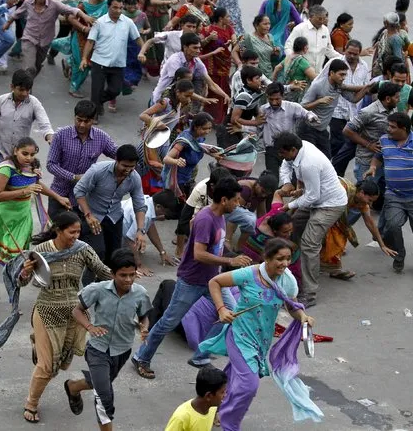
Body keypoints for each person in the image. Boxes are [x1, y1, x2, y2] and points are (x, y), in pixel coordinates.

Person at [131, 177, 252, 379]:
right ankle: (141, 357)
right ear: (224, 200)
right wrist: (231, 262)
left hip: (213, 279)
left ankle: (201, 356)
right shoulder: (207, 219)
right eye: (236, 200)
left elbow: (214, 244)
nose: (238, 204)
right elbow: (199, 254)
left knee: (231, 315)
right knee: (168, 322)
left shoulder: (219, 216)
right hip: (192, 281)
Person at [198, 238, 319, 430]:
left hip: (261, 341)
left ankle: (211, 404)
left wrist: (302, 315)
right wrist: (221, 309)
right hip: (240, 336)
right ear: (267, 258)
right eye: (280, 259)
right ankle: (230, 423)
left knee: (233, 375)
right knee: (249, 384)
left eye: (288, 259)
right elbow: (215, 282)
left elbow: (291, 307)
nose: (285, 264)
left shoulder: (287, 281)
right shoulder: (250, 274)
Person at [15, 211, 113, 424]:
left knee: (63, 362)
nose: (76, 236)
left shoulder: (83, 249)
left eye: (78, 231)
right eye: (71, 232)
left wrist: (123, 279)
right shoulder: (40, 251)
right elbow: (22, 282)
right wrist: (24, 272)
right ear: (58, 231)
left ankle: (39, 345)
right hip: (47, 311)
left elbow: (101, 270)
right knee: (48, 367)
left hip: (74, 313)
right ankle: (31, 403)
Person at [72, 248, 153, 431]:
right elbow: (77, 310)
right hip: (97, 349)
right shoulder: (97, 290)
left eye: (132, 275)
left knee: (102, 384)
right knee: (104, 396)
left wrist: (144, 327)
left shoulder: (140, 293)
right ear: (112, 273)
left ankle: (74, 387)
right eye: (123, 275)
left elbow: (144, 316)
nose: (128, 280)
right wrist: (90, 327)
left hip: (122, 350)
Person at [0, 137, 71, 294]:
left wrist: (58, 197)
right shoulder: (6, 169)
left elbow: (37, 185)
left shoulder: (31, 167)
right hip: (2, 218)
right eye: (24, 153)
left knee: (16, 255)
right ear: (15, 151)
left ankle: (14, 288)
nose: (28, 158)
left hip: (22, 217)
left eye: (32, 154)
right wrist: (24, 191)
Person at [364, 112, 413, 277]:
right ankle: (399, 254)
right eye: (389, 126)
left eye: (392, 127)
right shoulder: (385, 140)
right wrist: (373, 167)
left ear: (403, 128)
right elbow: (378, 156)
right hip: (394, 195)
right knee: (391, 225)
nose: (388, 129)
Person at [277, 132, 347, 307]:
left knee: (309, 244)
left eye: (283, 153)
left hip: (329, 204)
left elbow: (313, 197)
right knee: (292, 225)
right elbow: (285, 165)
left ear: (293, 149)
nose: (282, 157)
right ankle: (293, 272)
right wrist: (287, 182)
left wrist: (290, 205)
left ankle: (309, 293)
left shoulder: (309, 163)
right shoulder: (299, 147)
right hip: (313, 198)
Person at [74, 145, 147, 276]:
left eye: (132, 167)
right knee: (97, 252)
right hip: (92, 216)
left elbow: (140, 205)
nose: (128, 170)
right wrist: (88, 215)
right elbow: (79, 191)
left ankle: (106, 285)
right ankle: (88, 287)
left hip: (114, 218)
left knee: (114, 256)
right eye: (125, 166)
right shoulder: (98, 171)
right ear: (116, 160)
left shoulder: (135, 177)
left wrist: (140, 231)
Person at [46, 100, 118, 218]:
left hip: (82, 198)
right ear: (74, 117)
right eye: (79, 120)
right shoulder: (61, 135)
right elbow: (51, 164)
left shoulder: (102, 138)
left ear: (93, 120)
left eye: (87, 121)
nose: (82, 125)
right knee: (55, 231)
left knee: (77, 233)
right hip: (58, 194)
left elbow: (118, 155)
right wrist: (73, 177)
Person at [2, 0, 93, 80]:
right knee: (29, 68)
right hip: (29, 38)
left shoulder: (54, 4)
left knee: (37, 66)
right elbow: (17, 14)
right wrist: (7, 23)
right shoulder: (28, 2)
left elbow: (73, 10)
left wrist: (85, 16)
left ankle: (28, 83)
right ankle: (26, 88)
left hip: (45, 41)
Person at [80, 0, 144, 121]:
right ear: (108, 7)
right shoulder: (99, 22)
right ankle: (93, 116)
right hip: (99, 63)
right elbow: (90, 41)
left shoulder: (128, 22)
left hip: (118, 64)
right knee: (96, 91)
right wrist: (84, 59)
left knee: (115, 90)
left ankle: (97, 104)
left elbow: (137, 38)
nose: (118, 11)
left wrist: (142, 52)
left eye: (121, 8)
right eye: (115, 7)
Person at [321, 179, 396, 279]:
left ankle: (333, 269)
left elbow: (370, 223)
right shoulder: (342, 189)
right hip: (320, 209)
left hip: (333, 219)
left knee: (339, 236)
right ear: (361, 193)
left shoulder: (362, 203)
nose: (370, 204)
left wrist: (382, 245)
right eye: (370, 200)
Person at [0, 69, 55, 167]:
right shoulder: (0, 100)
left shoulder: (34, 103)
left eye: (28, 90)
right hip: (0, 152)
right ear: (12, 87)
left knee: (16, 182)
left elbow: (45, 126)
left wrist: (51, 139)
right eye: (21, 90)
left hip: (21, 156)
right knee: (0, 181)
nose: (25, 93)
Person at [299, 58, 370, 158]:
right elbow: (302, 107)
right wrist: (319, 101)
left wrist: (366, 88)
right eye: (341, 74)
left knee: (326, 159)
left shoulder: (339, 86)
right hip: (308, 128)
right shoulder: (318, 85)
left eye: (345, 75)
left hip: (322, 129)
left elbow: (354, 99)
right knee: (308, 159)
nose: (343, 78)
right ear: (331, 73)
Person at [137, 79, 195, 194]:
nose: (188, 99)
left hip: (165, 141)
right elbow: (143, 115)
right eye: (186, 96)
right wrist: (156, 122)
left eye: (190, 96)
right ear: (178, 92)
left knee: (164, 170)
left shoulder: (178, 104)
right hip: (152, 142)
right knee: (149, 169)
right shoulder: (165, 103)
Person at [50, 0, 109, 98]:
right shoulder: (83, 5)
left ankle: (69, 62)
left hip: (97, 39)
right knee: (83, 63)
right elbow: (71, 18)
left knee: (90, 62)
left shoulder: (107, 5)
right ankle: (74, 88)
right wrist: (83, 28)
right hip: (80, 37)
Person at [343, 82, 401, 184]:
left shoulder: (393, 108)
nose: (399, 100)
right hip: (366, 161)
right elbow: (347, 130)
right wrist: (368, 145)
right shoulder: (369, 112)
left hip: (384, 160)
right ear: (387, 99)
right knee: (365, 194)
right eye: (396, 98)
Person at [151, 33, 230, 108]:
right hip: (162, 99)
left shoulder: (197, 61)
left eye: (199, 48)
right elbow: (181, 86)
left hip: (178, 101)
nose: (198, 51)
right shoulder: (175, 60)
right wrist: (203, 99)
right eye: (195, 48)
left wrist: (225, 95)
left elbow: (211, 83)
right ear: (185, 47)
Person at [175, 167, 233, 260]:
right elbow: (184, 217)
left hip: (218, 213)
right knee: (187, 224)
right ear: (212, 186)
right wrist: (179, 249)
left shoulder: (228, 189)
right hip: (201, 210)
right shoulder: (200, 189)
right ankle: (183, 247)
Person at [259, 82, 317, 175]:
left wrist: (311, 118)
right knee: (272, 176)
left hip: (289, 149)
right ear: (267, 97)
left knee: (292, 177)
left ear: (282, 96)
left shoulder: (293, 107)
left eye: (277, 99)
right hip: (271, 149)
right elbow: (256, 127)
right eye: (271, 99)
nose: (274, 102)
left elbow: (307, 113)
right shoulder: (263, 110)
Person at [329, 40, 369, 158]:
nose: (351, 56)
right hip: (337, 110)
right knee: (337, 142)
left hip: (353, 112)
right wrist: (362, 88)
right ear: (345, 50)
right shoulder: (335, 63)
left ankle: (335, 168)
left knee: (348, 145)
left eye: (355, 54)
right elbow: (329, 83)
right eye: (349, 52)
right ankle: (330, 166)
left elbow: (366, 87)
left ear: (360, 53)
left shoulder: (364, 66)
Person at [161, 112, 214, 201]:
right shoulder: (184, 141)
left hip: (188, 178)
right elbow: (166, 159)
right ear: (196, 127)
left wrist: (214, 154)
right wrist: (177, 161)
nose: (208, 131)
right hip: (178, 181)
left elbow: (200, 147)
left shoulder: (199, 137)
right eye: (204, 128)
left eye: (210, 128)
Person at [224, 172, 278, 251]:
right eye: (263, 192)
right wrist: (227, 240)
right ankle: (226, 240)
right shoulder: (245, 190)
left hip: (240, 210)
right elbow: (233, 215)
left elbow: (261, 215)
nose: (264, 195)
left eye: (266, 194)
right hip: (226, 211)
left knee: (252, 223)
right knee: (249, 221)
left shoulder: (262, 192)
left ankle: (239, 248)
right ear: (258, 184)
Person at [200, 7, 237, 124]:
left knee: (225, 90)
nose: (229, 19)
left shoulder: (229, 28)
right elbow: (199, 44)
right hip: (212, 65)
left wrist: (232, 43)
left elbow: (235, 41)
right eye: (227, 17)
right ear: (221, 18)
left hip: (224, 65)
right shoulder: (207, 29)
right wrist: (209, 38)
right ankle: (210, 118)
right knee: (214, 91)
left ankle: (221, 118)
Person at [121, 195, 172, 276]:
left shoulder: (147, 199)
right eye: (165, 213)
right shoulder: (146, 215)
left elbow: (151, 228)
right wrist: (138, 265)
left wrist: (162, 251)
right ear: (158, 206)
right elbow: (130, 239)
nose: (164, 216)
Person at [165, 366, 227, 431]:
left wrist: (215, 416)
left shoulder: (212, 407)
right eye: (222, 392)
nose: (225, 395)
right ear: (208, 396)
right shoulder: (181, 418)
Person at [284, 5, 340, 76]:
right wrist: (296, 61)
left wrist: (343, 59)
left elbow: (329, 50)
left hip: (318, 74)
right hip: (301, 74)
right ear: (311, 16)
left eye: (324, 18)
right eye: (319, 19)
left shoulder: (325, 30)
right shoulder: (299, 29)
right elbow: (288, 47)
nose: (322, 21)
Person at [121, 0, 151, 102]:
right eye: (129, 4)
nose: (132, 7)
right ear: (124, 4)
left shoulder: (142, 15)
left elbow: (149, 28)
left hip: (137, 46)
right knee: (123, 68)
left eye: (134, 4)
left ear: (138, 4)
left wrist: (144, 31)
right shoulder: (121, 15)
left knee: (136, 67)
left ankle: (128, 84)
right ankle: (122, 86)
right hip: (123, 46)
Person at [236, 14, 282, 78]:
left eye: (269, 24)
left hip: (268, 73)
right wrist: (239, 63)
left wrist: (276, 53)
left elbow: (271, 57)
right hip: (252, 74)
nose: (268, 26)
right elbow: (235, 51)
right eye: (265, 24)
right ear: (256, 25)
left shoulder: (270, 37)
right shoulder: (248, 38)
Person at [275, 36, 314, 103]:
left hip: (286, 90)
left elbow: (277, 68)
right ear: (305, 48)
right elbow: (314, 77)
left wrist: (273, 82)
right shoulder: (302, 61)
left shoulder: (288, 57)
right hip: (296, 91)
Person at [371, 12, 409, 78]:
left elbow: (398, 60)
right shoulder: (385, 33)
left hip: (388, 74)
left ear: (386, 23)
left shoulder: (395, 39)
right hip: (381, 70)